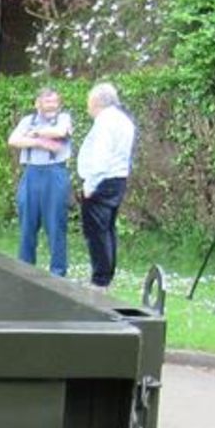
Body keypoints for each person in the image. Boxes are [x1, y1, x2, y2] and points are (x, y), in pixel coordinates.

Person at [7, 88, 74, 277]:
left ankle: (58, 274)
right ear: (38, 103)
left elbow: (60, 132)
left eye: (55, 102)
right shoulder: (27, 120)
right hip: (31, 173)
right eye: (47, 102)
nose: (52, 105)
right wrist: (39, 143)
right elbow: (13, 140)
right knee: (27, 223)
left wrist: (34, 135)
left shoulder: (64, 118)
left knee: (55, 225)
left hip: (55, 173)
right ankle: (25, 270)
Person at [77, 81, 136, 289]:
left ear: (97, 102)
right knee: (108, 228)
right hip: (118, 178)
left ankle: (100, 279)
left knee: (97, 230)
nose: (88, 108)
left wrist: (91, 183)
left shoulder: (105, 122)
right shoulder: (124, 120)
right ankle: (105, 275)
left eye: (89, 103)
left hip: (102, 179)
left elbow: (101, 155)